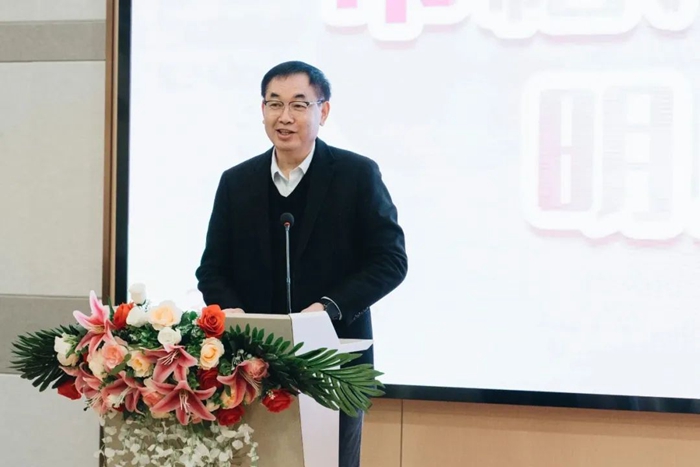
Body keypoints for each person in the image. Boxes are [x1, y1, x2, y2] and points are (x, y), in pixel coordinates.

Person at [196, 60, 408, 467]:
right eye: (274, 104)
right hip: (250, 366)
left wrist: (328, 309)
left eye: (299, 104)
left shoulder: (356, 175)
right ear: (262, 110)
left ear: (322, 111)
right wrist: (233, 310)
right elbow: (212, 268)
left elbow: (390, 260)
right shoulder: (237, 182)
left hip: (334, 362)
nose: (285, 117)